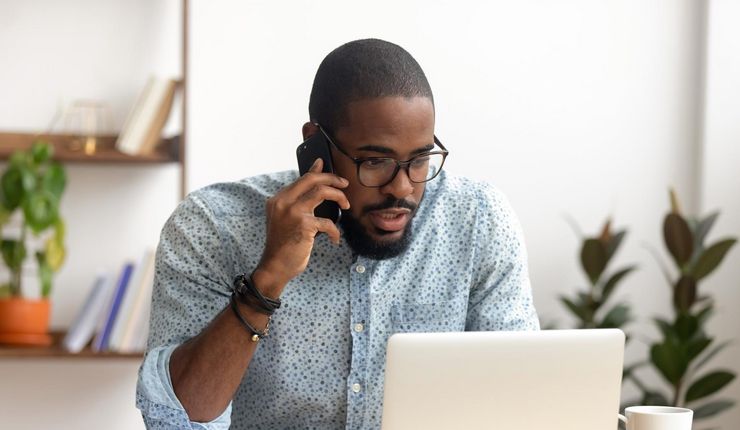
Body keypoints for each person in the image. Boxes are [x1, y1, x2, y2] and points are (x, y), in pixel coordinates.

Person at [135, 38, 539, 430]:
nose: (402, 188)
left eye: (419, 160)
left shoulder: (478, 219)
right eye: (376, 161)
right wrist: (269, 278)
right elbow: (177, 418)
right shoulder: (213, 225)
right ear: (316, 145)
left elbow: (523, 395)